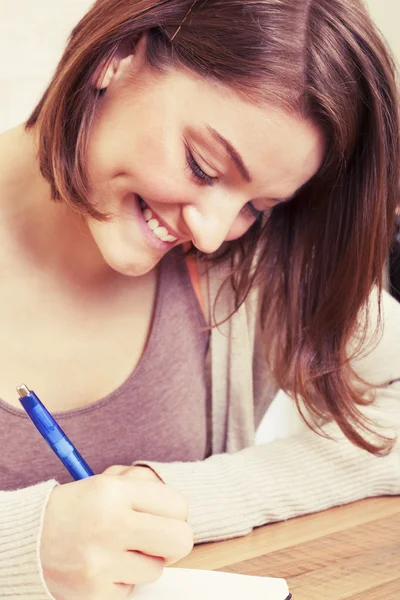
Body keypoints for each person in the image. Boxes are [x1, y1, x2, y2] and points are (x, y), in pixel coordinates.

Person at [1, 0, 399, 598]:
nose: (212, 233)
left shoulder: (250, 263)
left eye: (256, 207)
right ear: (116, 59)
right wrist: (25, 544)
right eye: (204, 166)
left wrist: (177, 500)